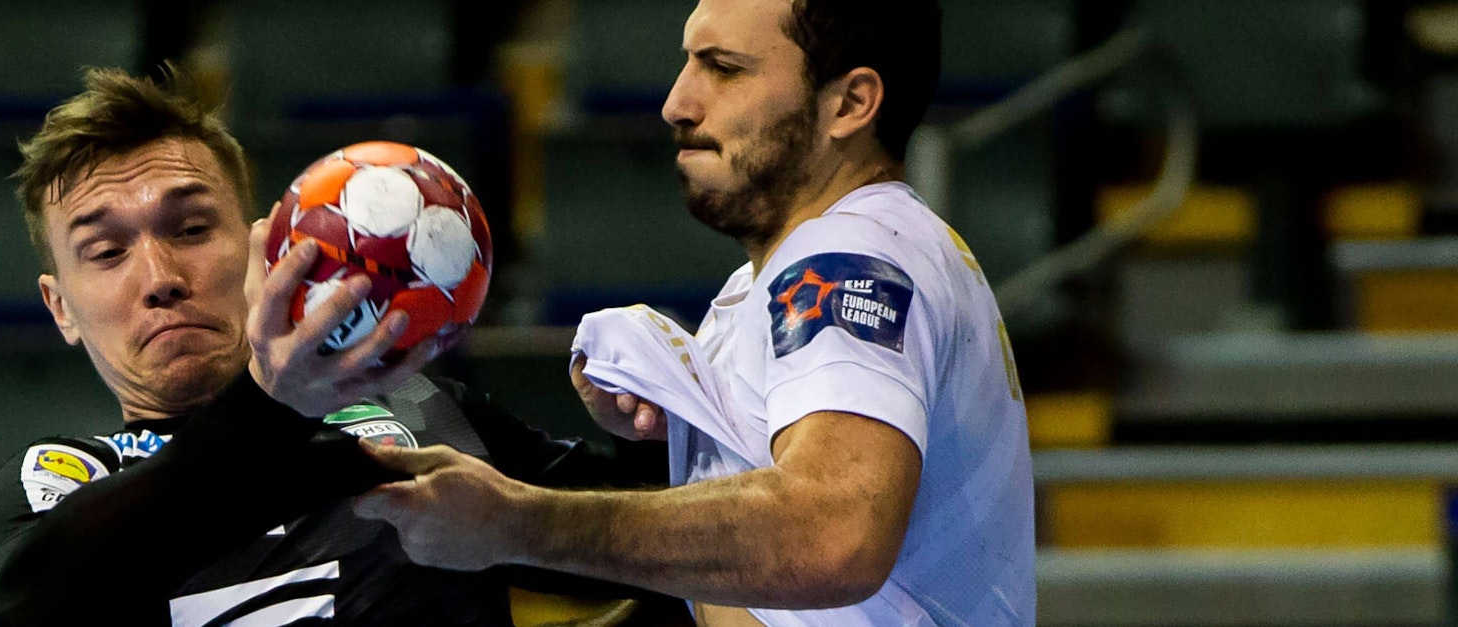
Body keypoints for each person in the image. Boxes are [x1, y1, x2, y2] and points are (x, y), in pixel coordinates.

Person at [353, 0, 1036, 625]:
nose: (677, 102)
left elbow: (834, 535)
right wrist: (697, 411)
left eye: (723, 69)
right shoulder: (791, 276)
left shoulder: (847, 260)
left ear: (850, 103)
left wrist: (517, 525)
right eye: (688, 63)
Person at [0, 67, 667, 626]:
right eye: (106, 250)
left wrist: (653, 427)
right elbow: (25, 605)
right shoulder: (62, 479)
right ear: (61, 308)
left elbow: (673, 552)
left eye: (189, 229)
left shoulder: (424, 412)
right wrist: (271, 408)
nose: (159, 278)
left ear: (262, 246)